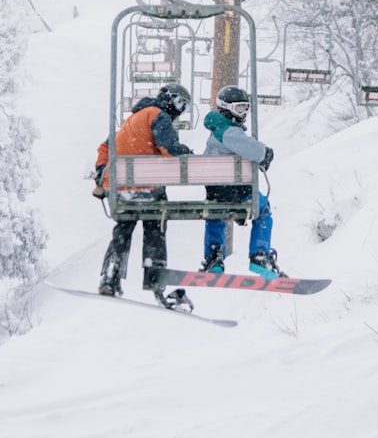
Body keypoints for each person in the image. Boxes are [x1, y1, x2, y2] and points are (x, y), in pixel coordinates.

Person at [93, 83, 193, 297]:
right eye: (180, 104)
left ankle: (111, 274)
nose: (179, 111)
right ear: (169, 99)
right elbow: (170, 150)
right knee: (155, 224)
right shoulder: (158, 116)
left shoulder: (132, 120)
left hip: (122, 190)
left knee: (123, 229)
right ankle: (154, 273)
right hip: (149, 190)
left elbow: (105, 147)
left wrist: (103, 173)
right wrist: (187, 152)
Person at [200, 85, 287, 280]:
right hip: (236, 192)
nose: (244, 114)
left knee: (215, 214)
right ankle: (259, 255)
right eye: (239, 109)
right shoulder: (228, 132)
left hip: (215, 194)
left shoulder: (216, 132)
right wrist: (266, 154)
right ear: (226, 108)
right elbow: (254, 150)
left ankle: (214, 258)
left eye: (246, 108)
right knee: (263, 209)